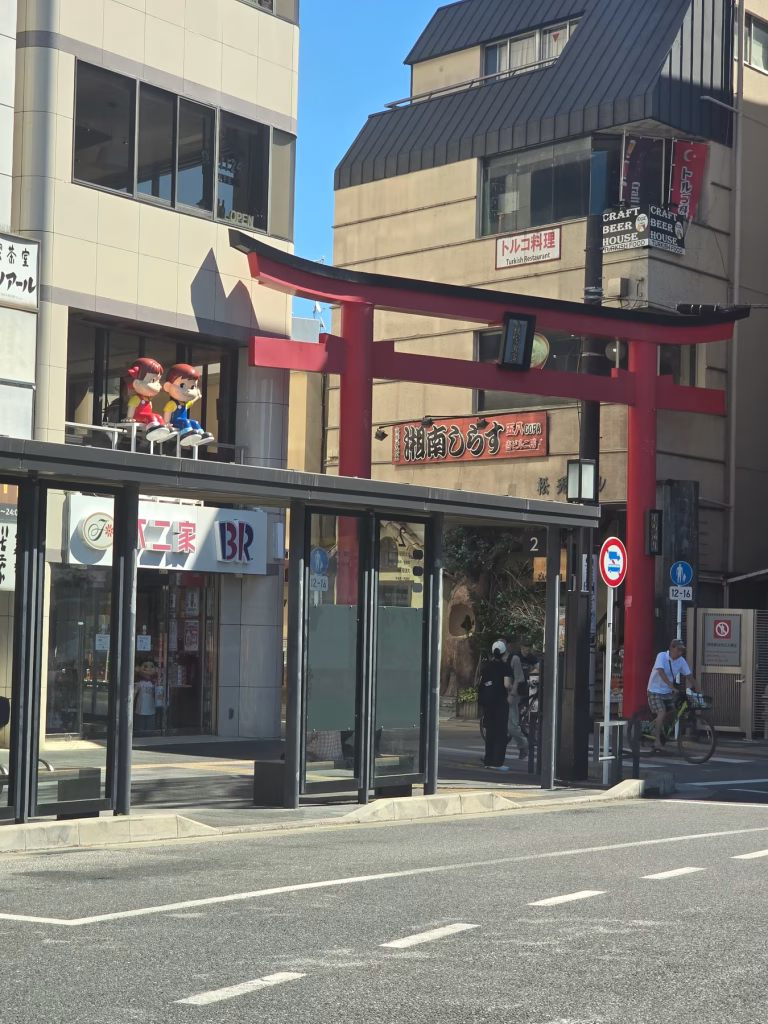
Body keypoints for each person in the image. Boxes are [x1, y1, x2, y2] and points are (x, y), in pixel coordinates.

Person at [647, 638, 697, 753]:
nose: (680, 653)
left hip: (667, 692)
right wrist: (672, 687)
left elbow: (689, 675)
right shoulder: (662, 656)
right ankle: (657, 742)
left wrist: (698, 689)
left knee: (675, 710)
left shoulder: (681, 661)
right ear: (671, 648)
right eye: (678, 650)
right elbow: (661, 672)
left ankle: (661, 727)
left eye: (681, 651)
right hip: (655, 690)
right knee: (662, 712)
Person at [478, 640, 513, 771]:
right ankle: (497, 762)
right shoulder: (505, 667)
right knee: (501, 732)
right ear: (504, 653)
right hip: (500, 702)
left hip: (487, 703)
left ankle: (488, 760)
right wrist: (510, 689)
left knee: (490, 732)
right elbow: (506, 684)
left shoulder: (486, 666)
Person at [504, 641, 530, 760]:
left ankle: (524, 745)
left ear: (508, 645)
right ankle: (494, 755)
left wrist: (513, 693)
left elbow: (518, 678)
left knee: (511, 726)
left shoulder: (514, 659)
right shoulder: (494, 658)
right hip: (497, 696)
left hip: (510, 695)